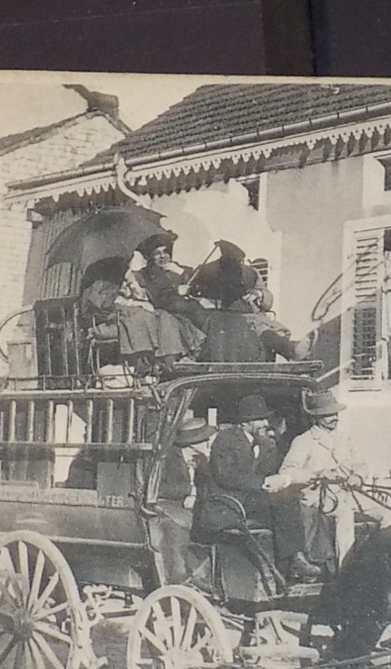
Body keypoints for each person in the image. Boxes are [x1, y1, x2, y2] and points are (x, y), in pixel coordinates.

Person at [196, 393, 317, 581]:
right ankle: (293, 561)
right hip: (225, 504)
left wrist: (281, 481)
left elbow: (274, 470)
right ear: (245, 423)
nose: (265, 423)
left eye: (265, 418)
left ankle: (294, 561)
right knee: (283, 501)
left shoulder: (266, 444)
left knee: (291, 498)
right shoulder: (226, 440)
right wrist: (263, 483)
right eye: (259, 419)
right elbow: (226, 476)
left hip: (252, 502)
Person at [262, 389, 360, 574]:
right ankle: (346, 570)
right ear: (316, 417)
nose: (335, 418)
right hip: (318, 496)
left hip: (349, 492)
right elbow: (287, 471)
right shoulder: (304, 441)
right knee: (345, 514)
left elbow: (361, 463)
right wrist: (318, 473)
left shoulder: (345, 438)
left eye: (335, 413)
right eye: (328, 414)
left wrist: (359, 476)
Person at [190, 240, 302, 363]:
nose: (237, 265)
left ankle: (292, 349)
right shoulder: (207, 271)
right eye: (232, 261)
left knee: (265, 330)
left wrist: (259, 294)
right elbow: (195, 295)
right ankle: (291, 349)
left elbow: (268, 298)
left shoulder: (251, 273)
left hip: (252, 316)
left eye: (239, 262)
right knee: (261, 331)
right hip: (225, 319)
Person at [114, 233, 204, 376]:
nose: (163, 257)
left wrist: (182, 274)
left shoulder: (177, 270)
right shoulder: (145, 274)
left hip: (184, 310)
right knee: (171, 320)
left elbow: (198, 283)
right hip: (166, 311)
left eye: (165, 252)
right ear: (150, 257)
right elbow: (157, 297)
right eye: (157, 253)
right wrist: (177, 290)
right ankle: (175, 360)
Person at [148, 412, 215, 585]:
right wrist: (189, 489)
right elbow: (157, 488)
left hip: (186, 508)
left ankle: (204, 577)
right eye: (204, 439)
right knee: (176, 532)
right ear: (192, 444)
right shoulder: (167, 458)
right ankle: (178, 579)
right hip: (164, 508)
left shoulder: (201, 460)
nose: (208, 442)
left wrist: (194, 494)